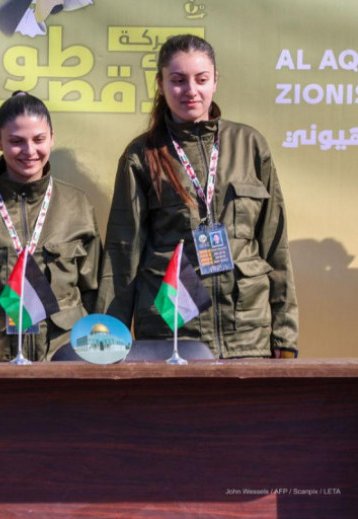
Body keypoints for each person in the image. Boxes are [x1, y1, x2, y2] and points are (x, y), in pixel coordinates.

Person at [97, 34, 298, 358]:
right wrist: (108, 342)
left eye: (201, 79)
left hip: (248, 335)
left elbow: (275, 244)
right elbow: (122, 255)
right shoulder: (142, 155)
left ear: (215, 81)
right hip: (173, 337)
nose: (191, 90)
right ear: (161, 84)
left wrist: (284, 335)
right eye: (178, 80)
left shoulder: (249, 144)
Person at [0, 92, 101, 361]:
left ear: (52, 138)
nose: (29, 151)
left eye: (39, 139)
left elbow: (93, 290)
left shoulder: (77, 205)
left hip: (62, 357)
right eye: (16, 141)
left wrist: (90, 357)